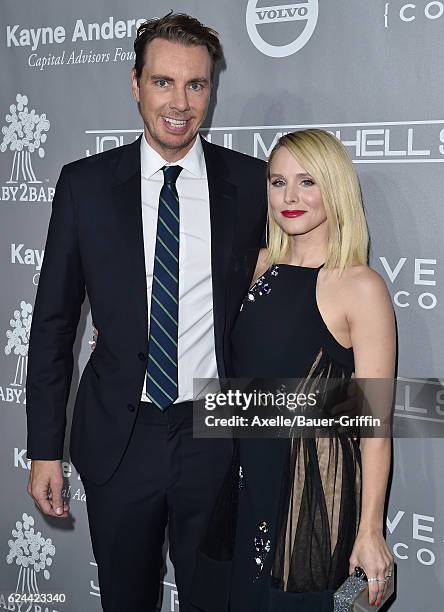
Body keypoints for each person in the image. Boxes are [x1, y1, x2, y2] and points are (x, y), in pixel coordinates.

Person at [25, 12, 267, 612]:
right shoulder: (83, 186)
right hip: (119, 438)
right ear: (136, 84)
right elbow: (53, 325)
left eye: (196, 85)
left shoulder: (252, 184)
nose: (179, 103)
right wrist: (44, 450)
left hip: (216, 436)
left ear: (212, 89)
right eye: (163, 82)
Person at [191, 129, 396, 612]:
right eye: (277, 181)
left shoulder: (360, 287)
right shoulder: (255, 266)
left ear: (335, 187)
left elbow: (375, 424)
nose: (290, 197)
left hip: (312, 491)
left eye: (307, 182)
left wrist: (370, 530)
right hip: (241, 477)